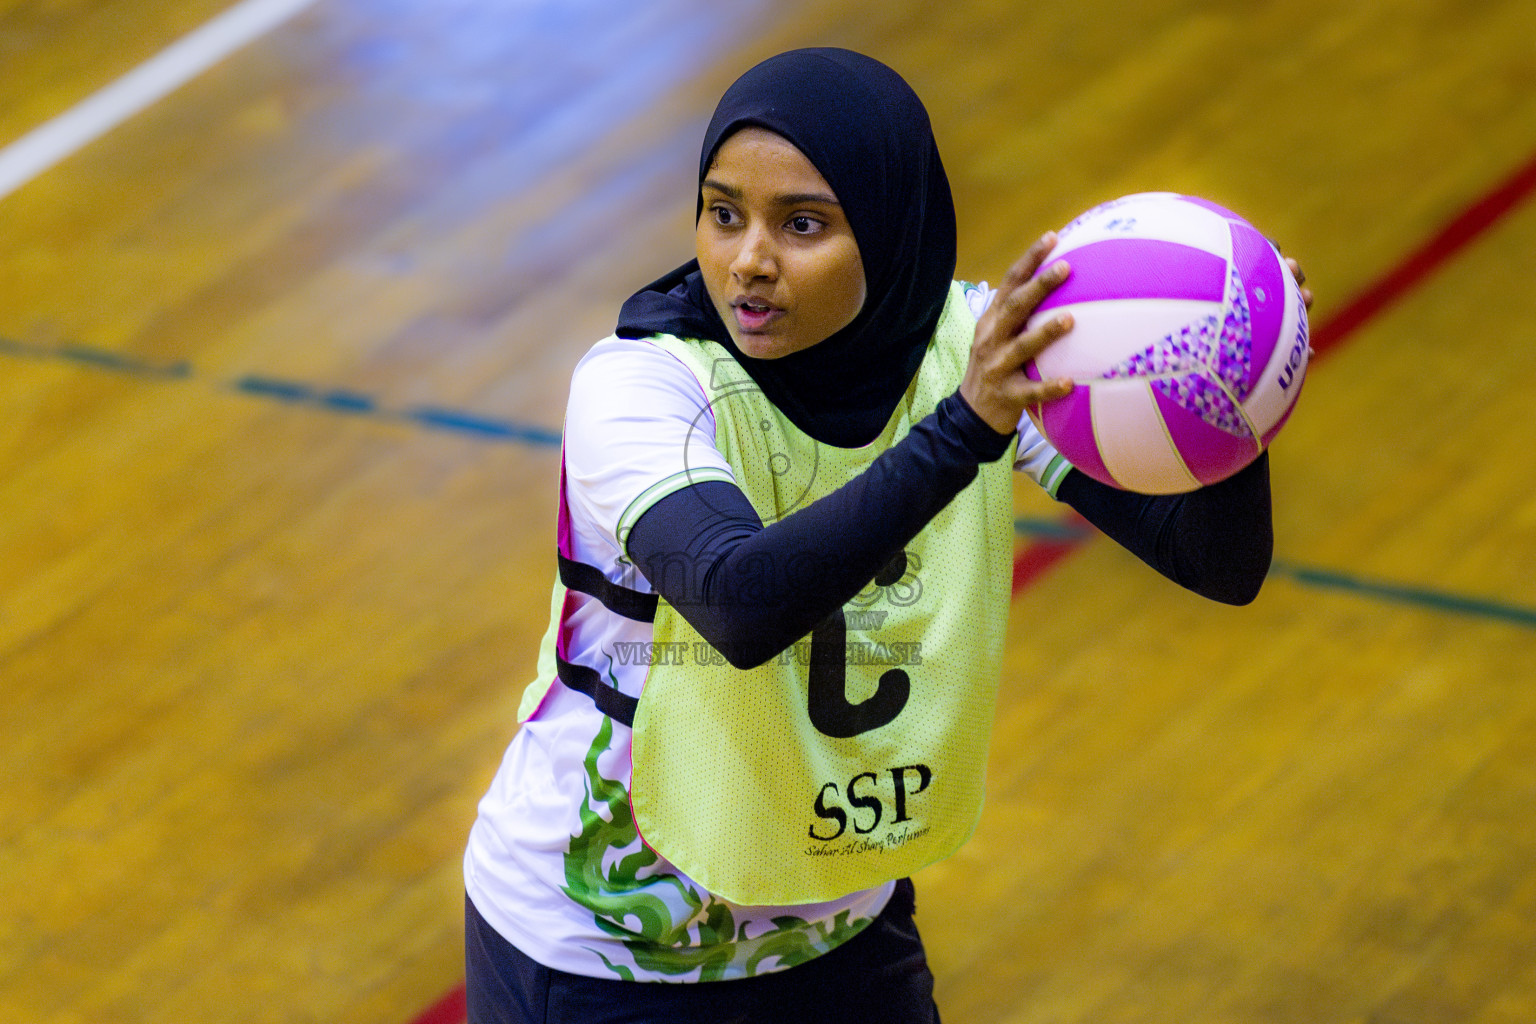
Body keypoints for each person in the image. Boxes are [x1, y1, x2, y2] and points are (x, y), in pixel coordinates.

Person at [463, 47, 1311, 1023]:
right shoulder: (639, 384)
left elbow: (1217, 561)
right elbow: (741, 601)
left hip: (835, 926)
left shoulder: (973, 349)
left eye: (804, 224)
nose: (749, 259)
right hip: (598, 951)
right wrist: (964, 430)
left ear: (891, 229)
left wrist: (1236, 391)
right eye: (723, 211)